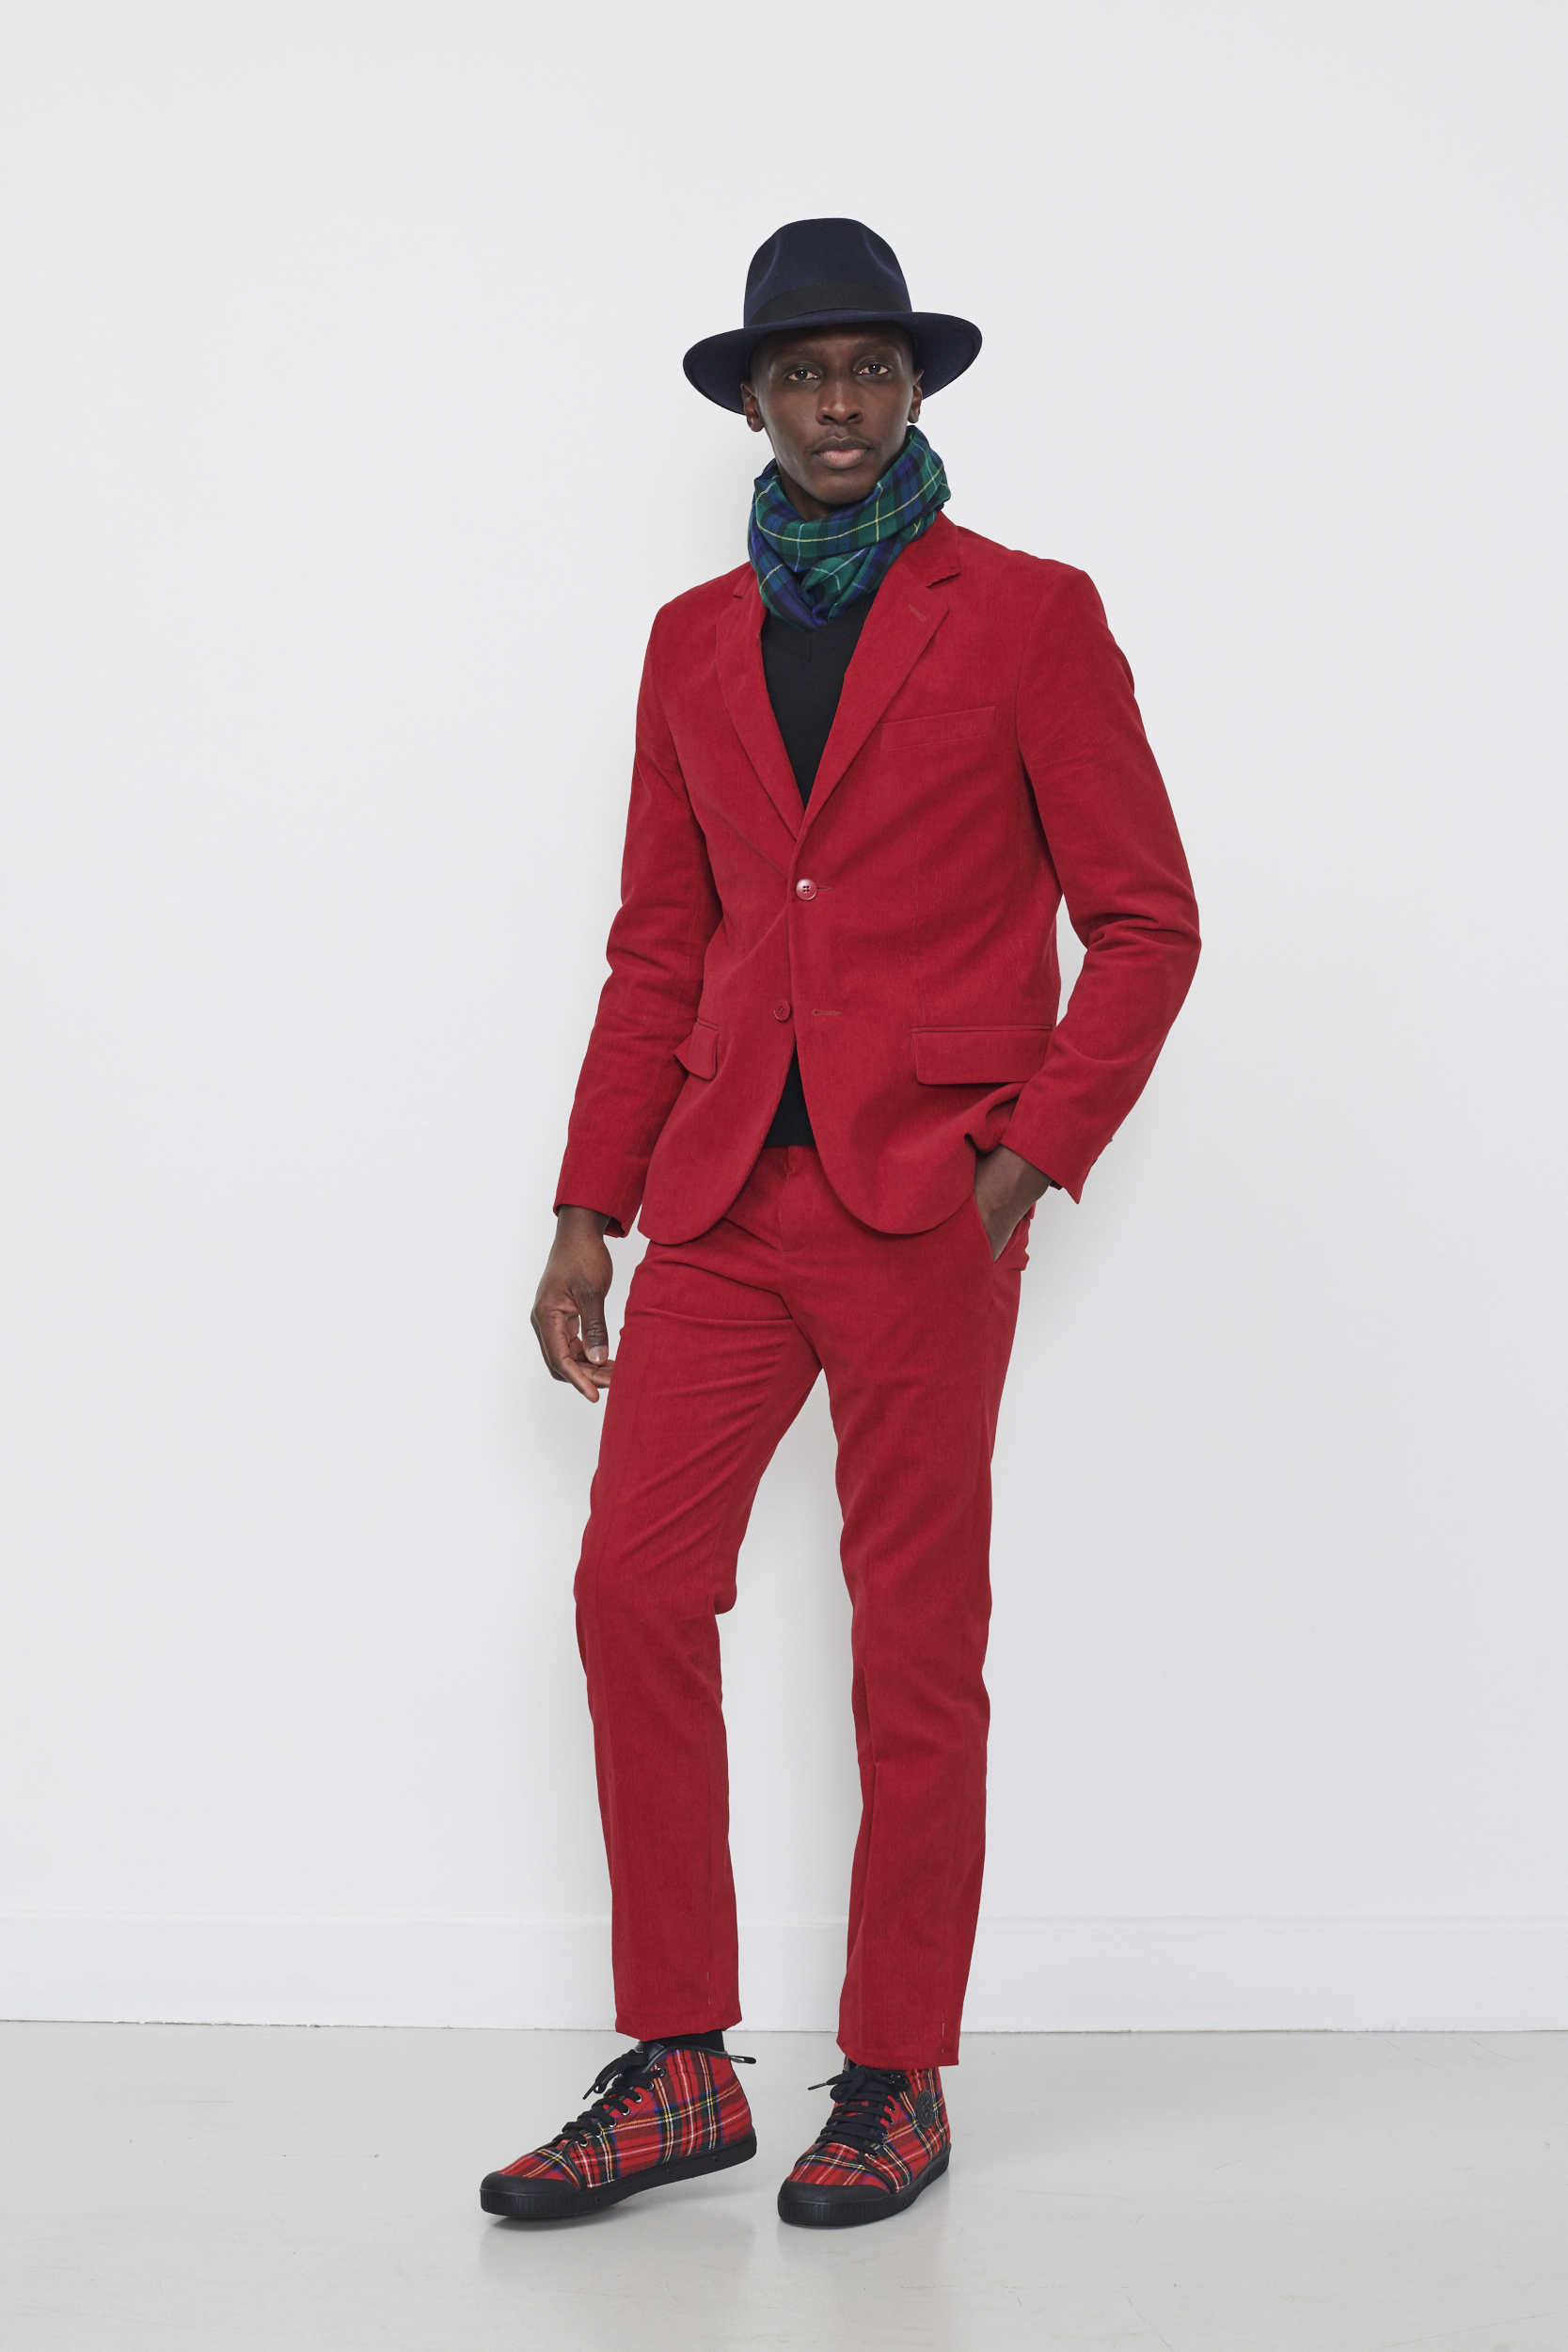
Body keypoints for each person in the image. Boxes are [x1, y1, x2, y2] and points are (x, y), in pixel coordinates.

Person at [481, 217, 1200, 2230]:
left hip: (924, 1200)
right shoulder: (691, 640)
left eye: (871, 369)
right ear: (752, 402)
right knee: (633, 1589)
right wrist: (588, 1204)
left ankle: (895, 2071)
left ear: (915, 392)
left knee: (914, 1638)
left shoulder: (1031, 614)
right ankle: (680, 2067)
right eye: (801, 373)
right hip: (721, 1194)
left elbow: (1147, 919)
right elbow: (661, 940)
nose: (837, 403)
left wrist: (1022, 1160)